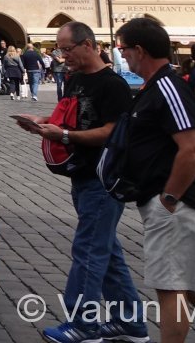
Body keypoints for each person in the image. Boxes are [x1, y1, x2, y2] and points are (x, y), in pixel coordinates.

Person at [114, 17, 195, 343]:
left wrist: (169, 198)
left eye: (123, 48)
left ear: (140, 50)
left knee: (171, 288)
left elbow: (192, 149)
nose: (122, 55)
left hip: (176, 203)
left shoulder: (167, 87)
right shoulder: (157, 86)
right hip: (175, 202)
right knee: (192, 287)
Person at [15, 22, 146, 343]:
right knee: (106, 250)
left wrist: (63, 135)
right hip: (81, 174)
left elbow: (112, 132)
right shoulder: (75, 79)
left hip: (104, 178)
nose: (63, 56)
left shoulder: (113, 85)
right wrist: (42, 121)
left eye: (67, 49)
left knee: (89, 249)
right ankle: (130, 322)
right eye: (59, 50)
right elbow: (68, 117)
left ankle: (83, 324)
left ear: (88, 44)